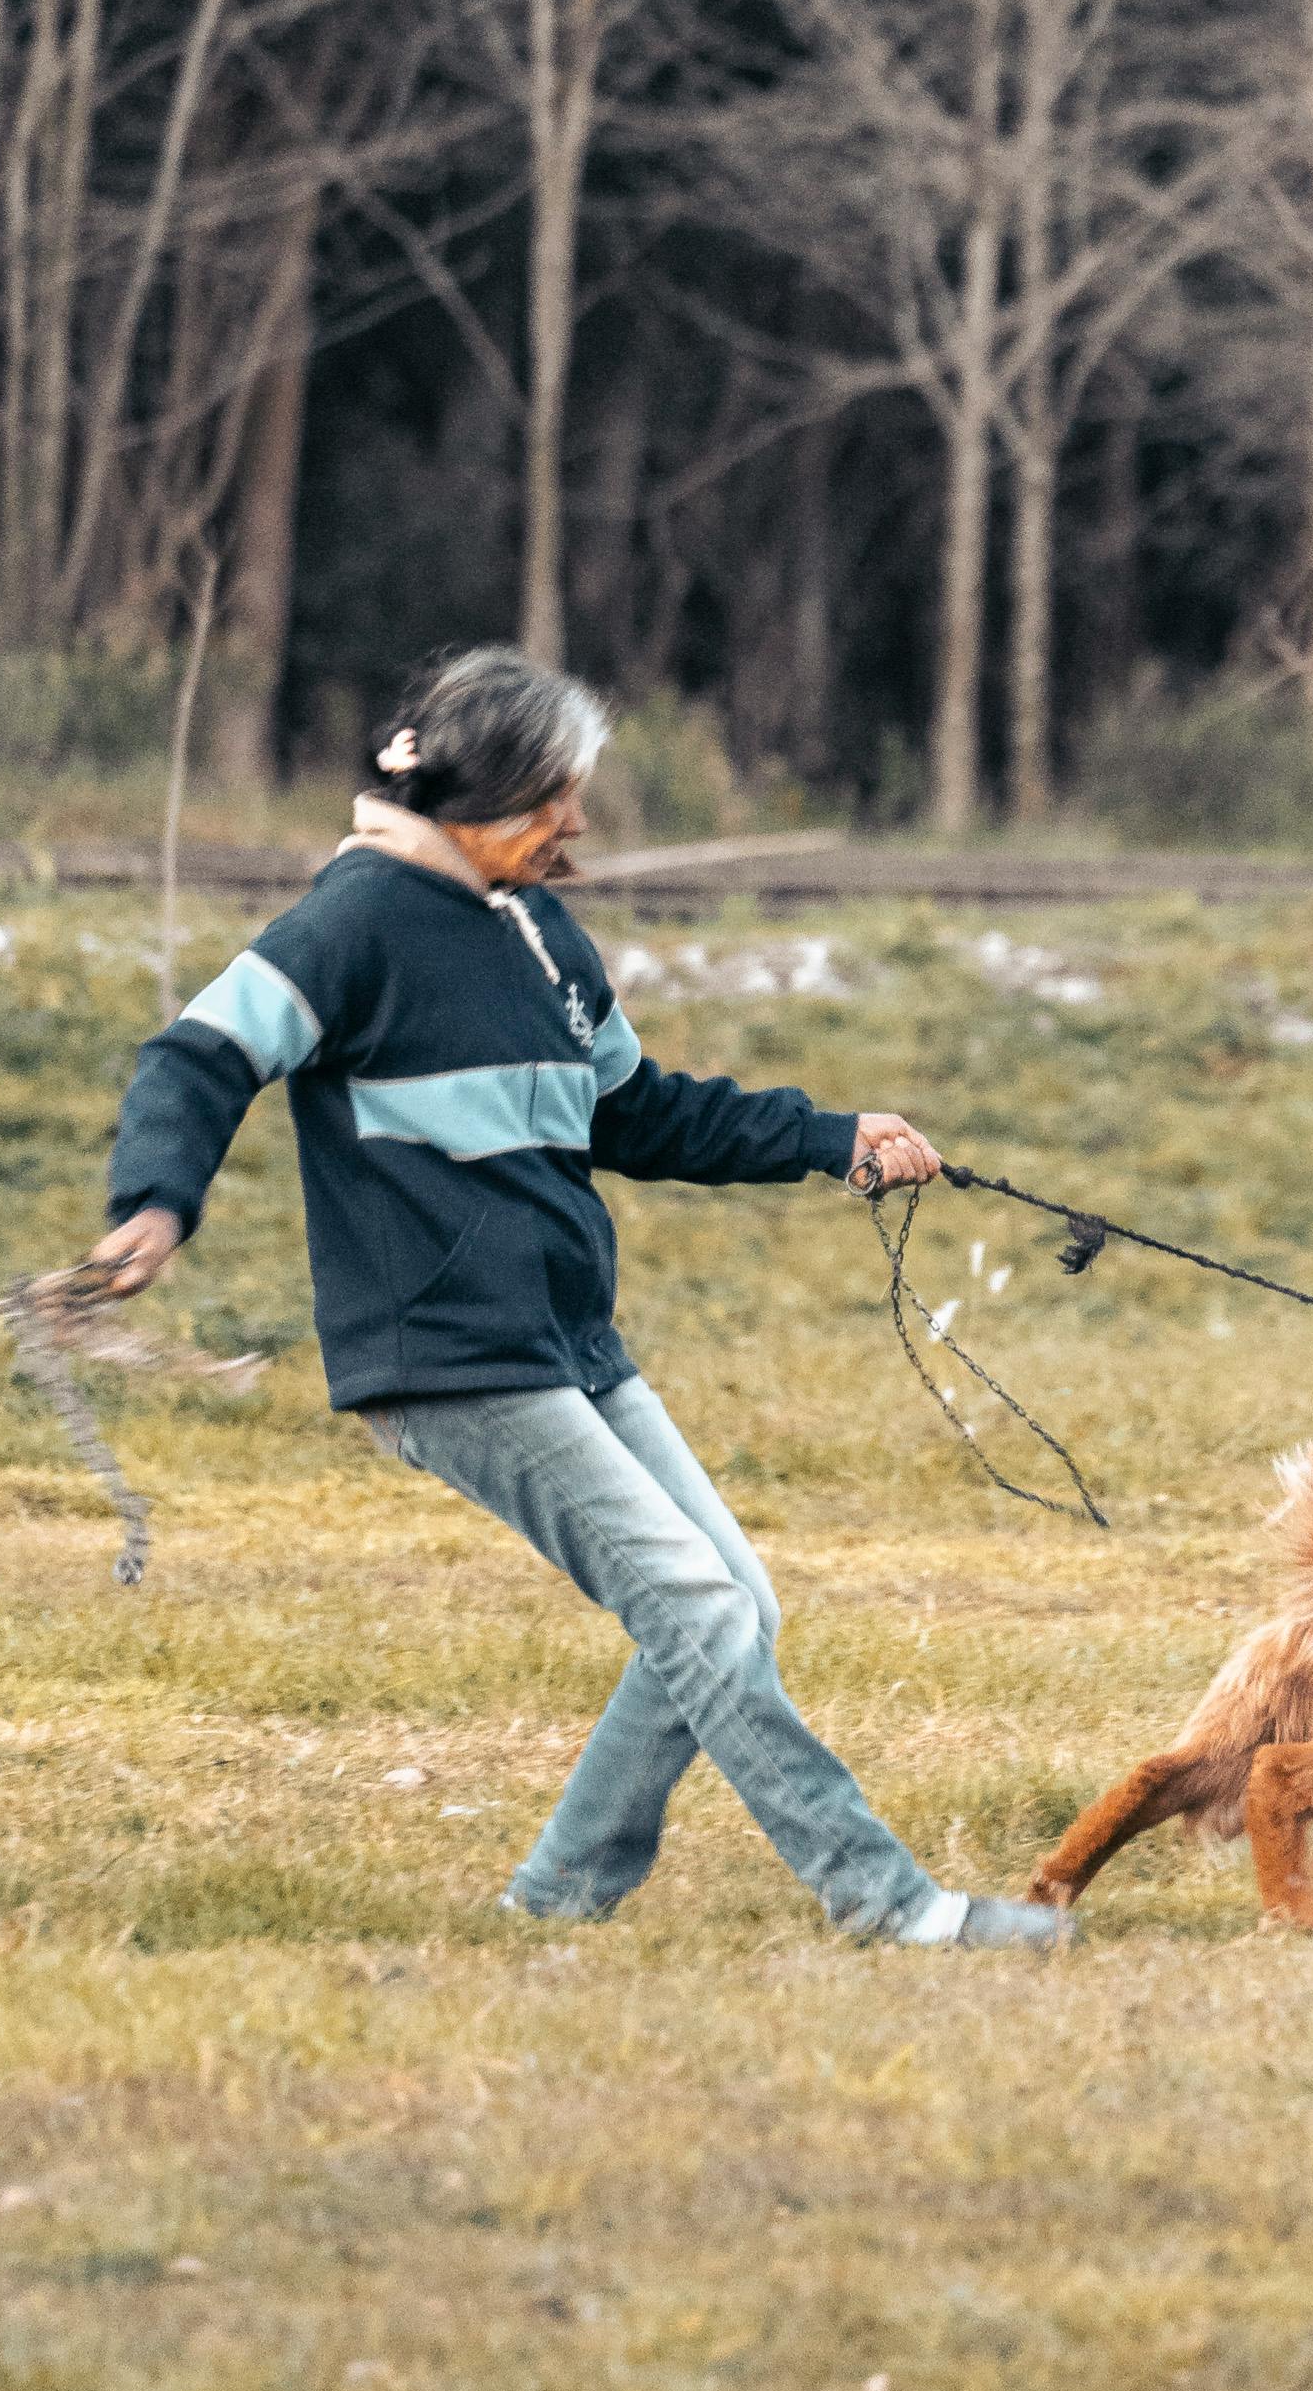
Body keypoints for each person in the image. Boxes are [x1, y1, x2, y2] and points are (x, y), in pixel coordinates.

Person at [90, 645, 1066, 1953]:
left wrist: (825, 1137)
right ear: (476, 794)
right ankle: (888, 1906)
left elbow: (639, 1113)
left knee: (732, 1603)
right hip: (447, 1354)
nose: (577, 822)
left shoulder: (539, 931)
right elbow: (197, 1056)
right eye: (553, 796)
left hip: (563, 1341)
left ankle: (556, 1907)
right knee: (699, 1606)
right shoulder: (354, 924)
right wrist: (154, 1202)